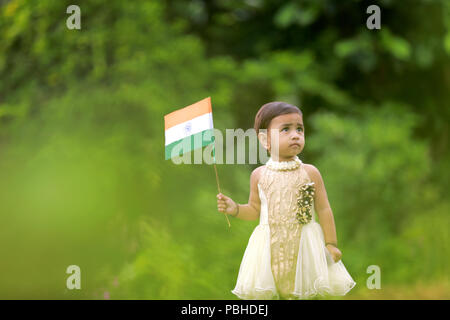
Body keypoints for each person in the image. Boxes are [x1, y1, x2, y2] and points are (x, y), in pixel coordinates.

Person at [217, 101, 356, 300]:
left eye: (299, 129)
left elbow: (324, 209)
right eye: (285, 129)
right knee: (274, 292)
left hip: (305, 244)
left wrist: (331, 243)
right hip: (269, 245)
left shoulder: (310, 172)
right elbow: (255, 209)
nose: (295, 134)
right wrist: (235, 208)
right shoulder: (259, 175)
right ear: (265, 140)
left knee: (306, 291)